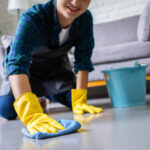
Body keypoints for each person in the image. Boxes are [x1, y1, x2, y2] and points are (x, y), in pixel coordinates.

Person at [0, 0, 103, 134]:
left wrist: (80, 100)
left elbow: (83, 59)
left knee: (75, 103)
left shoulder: (84, 19)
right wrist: (31, 114)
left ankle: (43, 98)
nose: (76, 2)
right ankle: (35, 99)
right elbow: (16, 62)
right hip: (26, 74)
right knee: (5, 108)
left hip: (55, 75)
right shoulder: (33, 18)